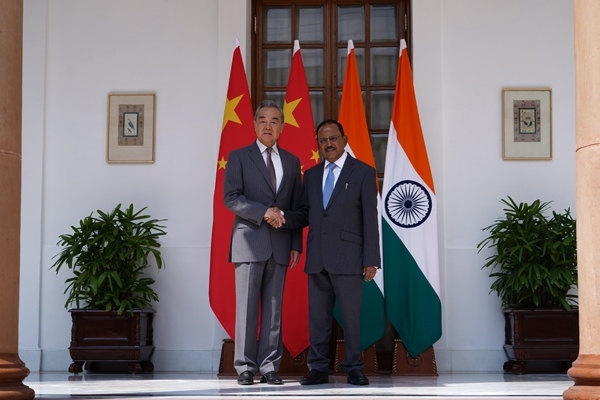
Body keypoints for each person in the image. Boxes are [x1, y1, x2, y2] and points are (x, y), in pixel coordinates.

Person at [223, 100, 304, 386]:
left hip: (280, 244)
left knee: (274, 309)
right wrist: (263, 212)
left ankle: (270, 366)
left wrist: (296, 243)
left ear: (282, 127)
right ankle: (245, 367)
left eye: (274, 120)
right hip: (248, 242)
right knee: (246, 308)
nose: (268, 125)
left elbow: (297, 207)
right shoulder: (238, 157)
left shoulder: (292, 161)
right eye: (262, 120)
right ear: (254, 124)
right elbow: (231, 197)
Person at [299, 119, 380, 386]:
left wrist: (371, 258)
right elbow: (304, 214)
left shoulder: (363, 172)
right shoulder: (311, 175)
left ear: (344, 140)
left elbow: (370, 218)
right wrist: (279, 218)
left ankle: (354, 367)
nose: (328, 144)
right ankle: (318, 368)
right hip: (317, 257)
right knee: (318, 319)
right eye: (323, 140)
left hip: (349, 256)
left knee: (351, 318)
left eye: (333, 138)